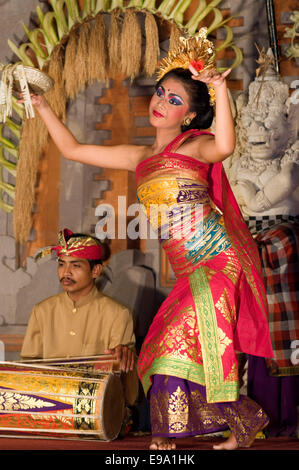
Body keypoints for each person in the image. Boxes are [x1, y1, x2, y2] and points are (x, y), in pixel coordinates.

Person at [21, 28, 273, 450]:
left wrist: (219, 90)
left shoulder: (196, 147)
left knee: (178, 341)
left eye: (175, 101)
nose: (161, 102)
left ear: (189, 117)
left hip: (217, 263)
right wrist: (43, 105)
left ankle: (167, 437)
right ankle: (244, 420)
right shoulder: (140, 157)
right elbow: (73, 149)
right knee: (157, 350)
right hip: (188, 272)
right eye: (161, 93)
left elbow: (226, 146)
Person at [20, 228, 136, 375]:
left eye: (76, 265)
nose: (66, 272)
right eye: (62, 264)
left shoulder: (118, 314)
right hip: (50, 395)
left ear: (95, 271)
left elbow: (121, 379)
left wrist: (124, 357)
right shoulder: (42, 311)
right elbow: (27, 370)